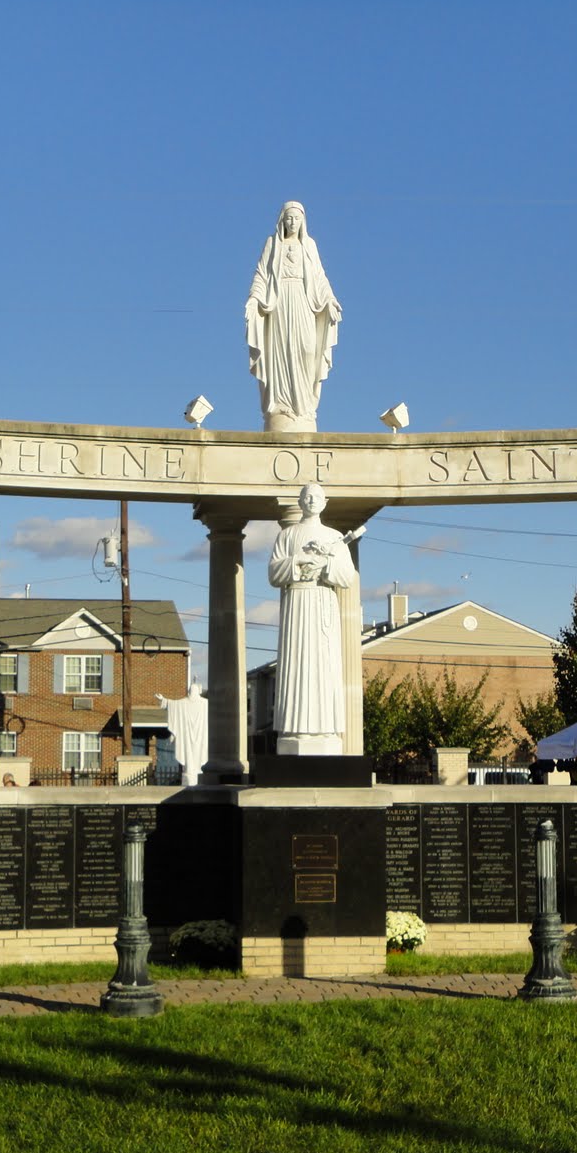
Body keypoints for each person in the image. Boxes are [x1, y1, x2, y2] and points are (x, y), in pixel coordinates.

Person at [267, 484, 360, 752]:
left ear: (325, 502)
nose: (311, 500)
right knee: (297, 663)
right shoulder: (287, 535)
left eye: (317, 496)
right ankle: (297, 731)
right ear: (300, 500)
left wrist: (326, 563)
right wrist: (298, 560)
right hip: (296, 602)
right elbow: (274, 573)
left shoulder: (334, 537)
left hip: (322, 602)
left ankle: (325, 729)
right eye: (307, 496)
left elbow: (347, 577)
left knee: (325, 665)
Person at [245, 201, 342, 432]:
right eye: (288, 218)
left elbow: (319, 276)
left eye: (296, 218)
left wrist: (329, 299)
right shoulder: (272, 244)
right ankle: (281, 406)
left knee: (307, 349)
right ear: (282, 220)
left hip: (303, 300)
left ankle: (305, 407)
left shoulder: (309, 245)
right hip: (279, 304)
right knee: (280, 352)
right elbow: (262, 274)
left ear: (303, 221)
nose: (292, 222)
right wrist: (254, 299)